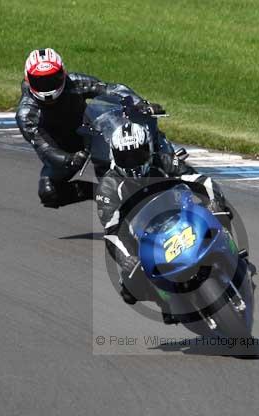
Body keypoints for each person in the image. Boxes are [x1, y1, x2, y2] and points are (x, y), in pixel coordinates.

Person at [16, 48, 186, 208]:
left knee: (131, 136)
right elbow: (44, 147)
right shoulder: (26, 113)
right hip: (65, 150)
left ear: (63, 74)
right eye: (41, 81)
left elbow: (111, 89)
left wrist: (140, 103)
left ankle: (168, 155)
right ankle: (101, 193)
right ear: (28, 79)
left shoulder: (74, 82)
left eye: (52, 79)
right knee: (49, 192)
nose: (48, 88)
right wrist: (69, 159)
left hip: (93, 133)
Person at [95, 121, 231, 320]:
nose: (132, 163)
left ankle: (229, 250)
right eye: (125, 157)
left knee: (219, 213)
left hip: (182, 216)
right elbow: (112, 232)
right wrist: (128, 258)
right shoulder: (108, 187)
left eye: (137, 154)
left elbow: (200, 180)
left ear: (148, 149)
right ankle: (165, 299)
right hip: (146, 238)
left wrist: (214, 202)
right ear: (114, 156)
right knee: (130, 289)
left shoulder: (164, 161)